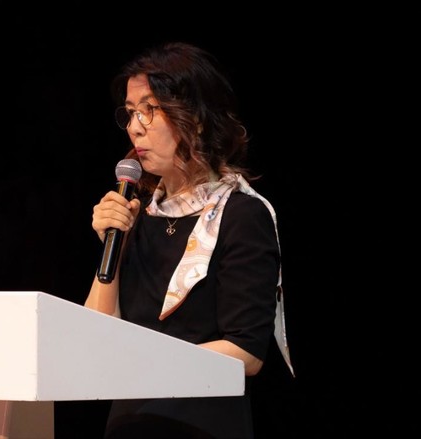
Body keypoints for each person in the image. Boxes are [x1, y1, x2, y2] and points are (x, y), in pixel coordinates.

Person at [84, 41, 292, 439]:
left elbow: (246, 352)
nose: (134, 126)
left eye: (149, 109)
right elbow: (95, 336)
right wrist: (113, 241)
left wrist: (145, 364)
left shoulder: (241, 215)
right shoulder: (139, 216)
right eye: (130, 112)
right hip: (127, 423)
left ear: (195, 117)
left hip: (200, 424)